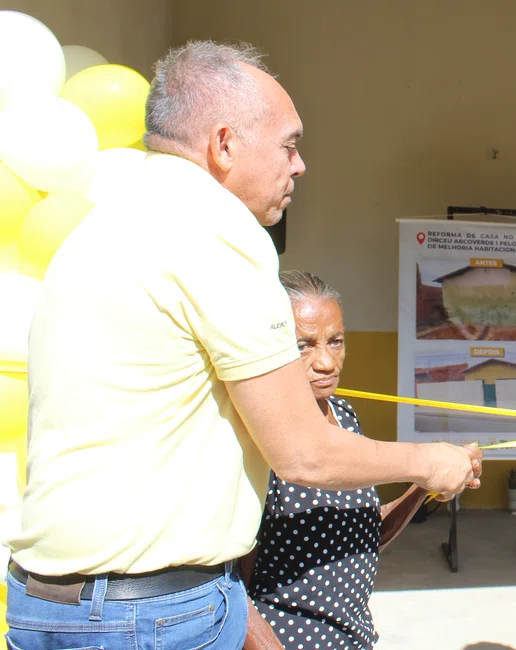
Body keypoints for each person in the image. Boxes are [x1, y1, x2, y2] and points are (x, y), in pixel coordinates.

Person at [6, 42, 481, 650]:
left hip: (46, 603)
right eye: (288, 143)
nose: (300, 164)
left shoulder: (104, 223)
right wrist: (427, 462)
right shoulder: (218, 230)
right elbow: (304, 456)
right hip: (148, 614)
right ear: (224, 143)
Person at [243, 271, 431, 650]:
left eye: (336, 341)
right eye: (304, 345)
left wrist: (425, 486)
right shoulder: (256, 435)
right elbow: (226, 584)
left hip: (354, 639)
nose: (326, 362)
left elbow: (359, 533)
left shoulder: (344, 416)